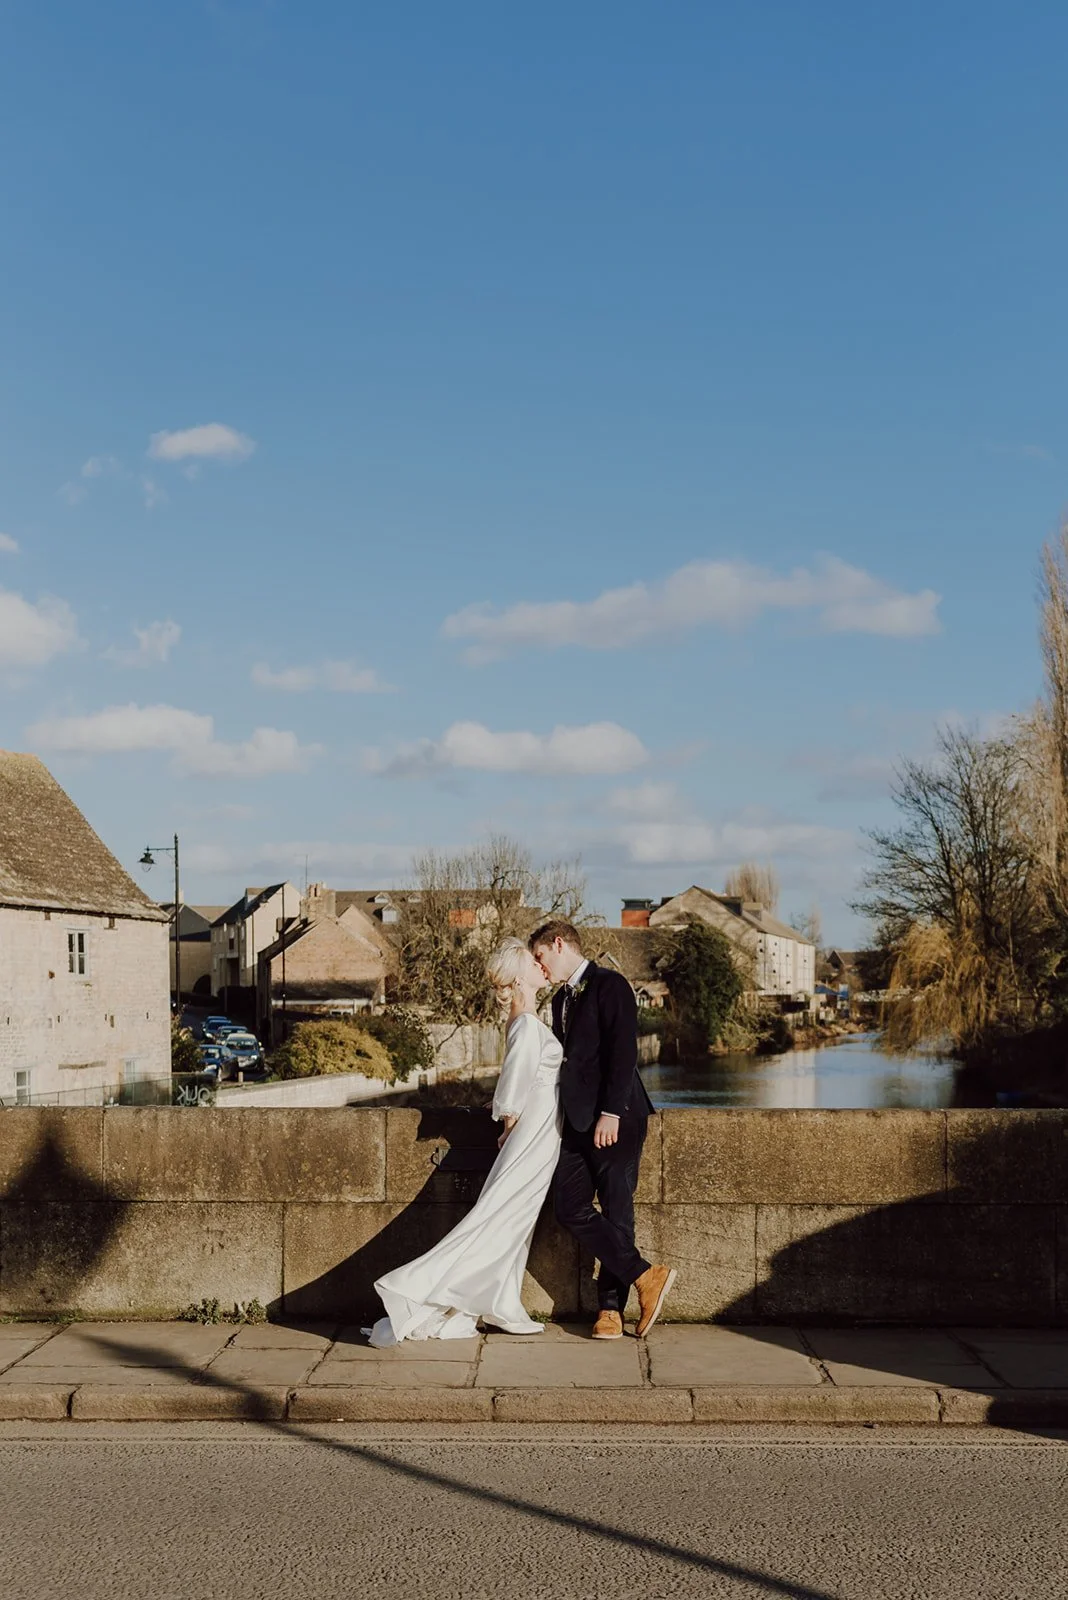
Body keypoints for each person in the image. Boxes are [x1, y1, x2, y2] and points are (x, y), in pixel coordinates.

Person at [367, 938, 562, 1346]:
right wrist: (509, 1125)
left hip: (540, 1130)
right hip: (533, 1134)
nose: (541, 965)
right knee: (500, 1218)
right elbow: (514, 1082)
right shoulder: (526, 1023)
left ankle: (502, 1302)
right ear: (517, 977)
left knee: (510, 1219)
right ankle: (420, 1290)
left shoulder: (524, 1020)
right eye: (532, 961)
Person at [529, 919, 676, 1340]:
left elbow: (623, 1052)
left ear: (558, 944)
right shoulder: (560, 1000)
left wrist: (611, 1111)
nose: (541, 967)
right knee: (569, 1207)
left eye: (541, 957)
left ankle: (610, 1309)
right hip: (576, 1121)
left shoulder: (612, 984)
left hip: (618, 1116)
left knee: (617, 1209)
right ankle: (646, 1276)